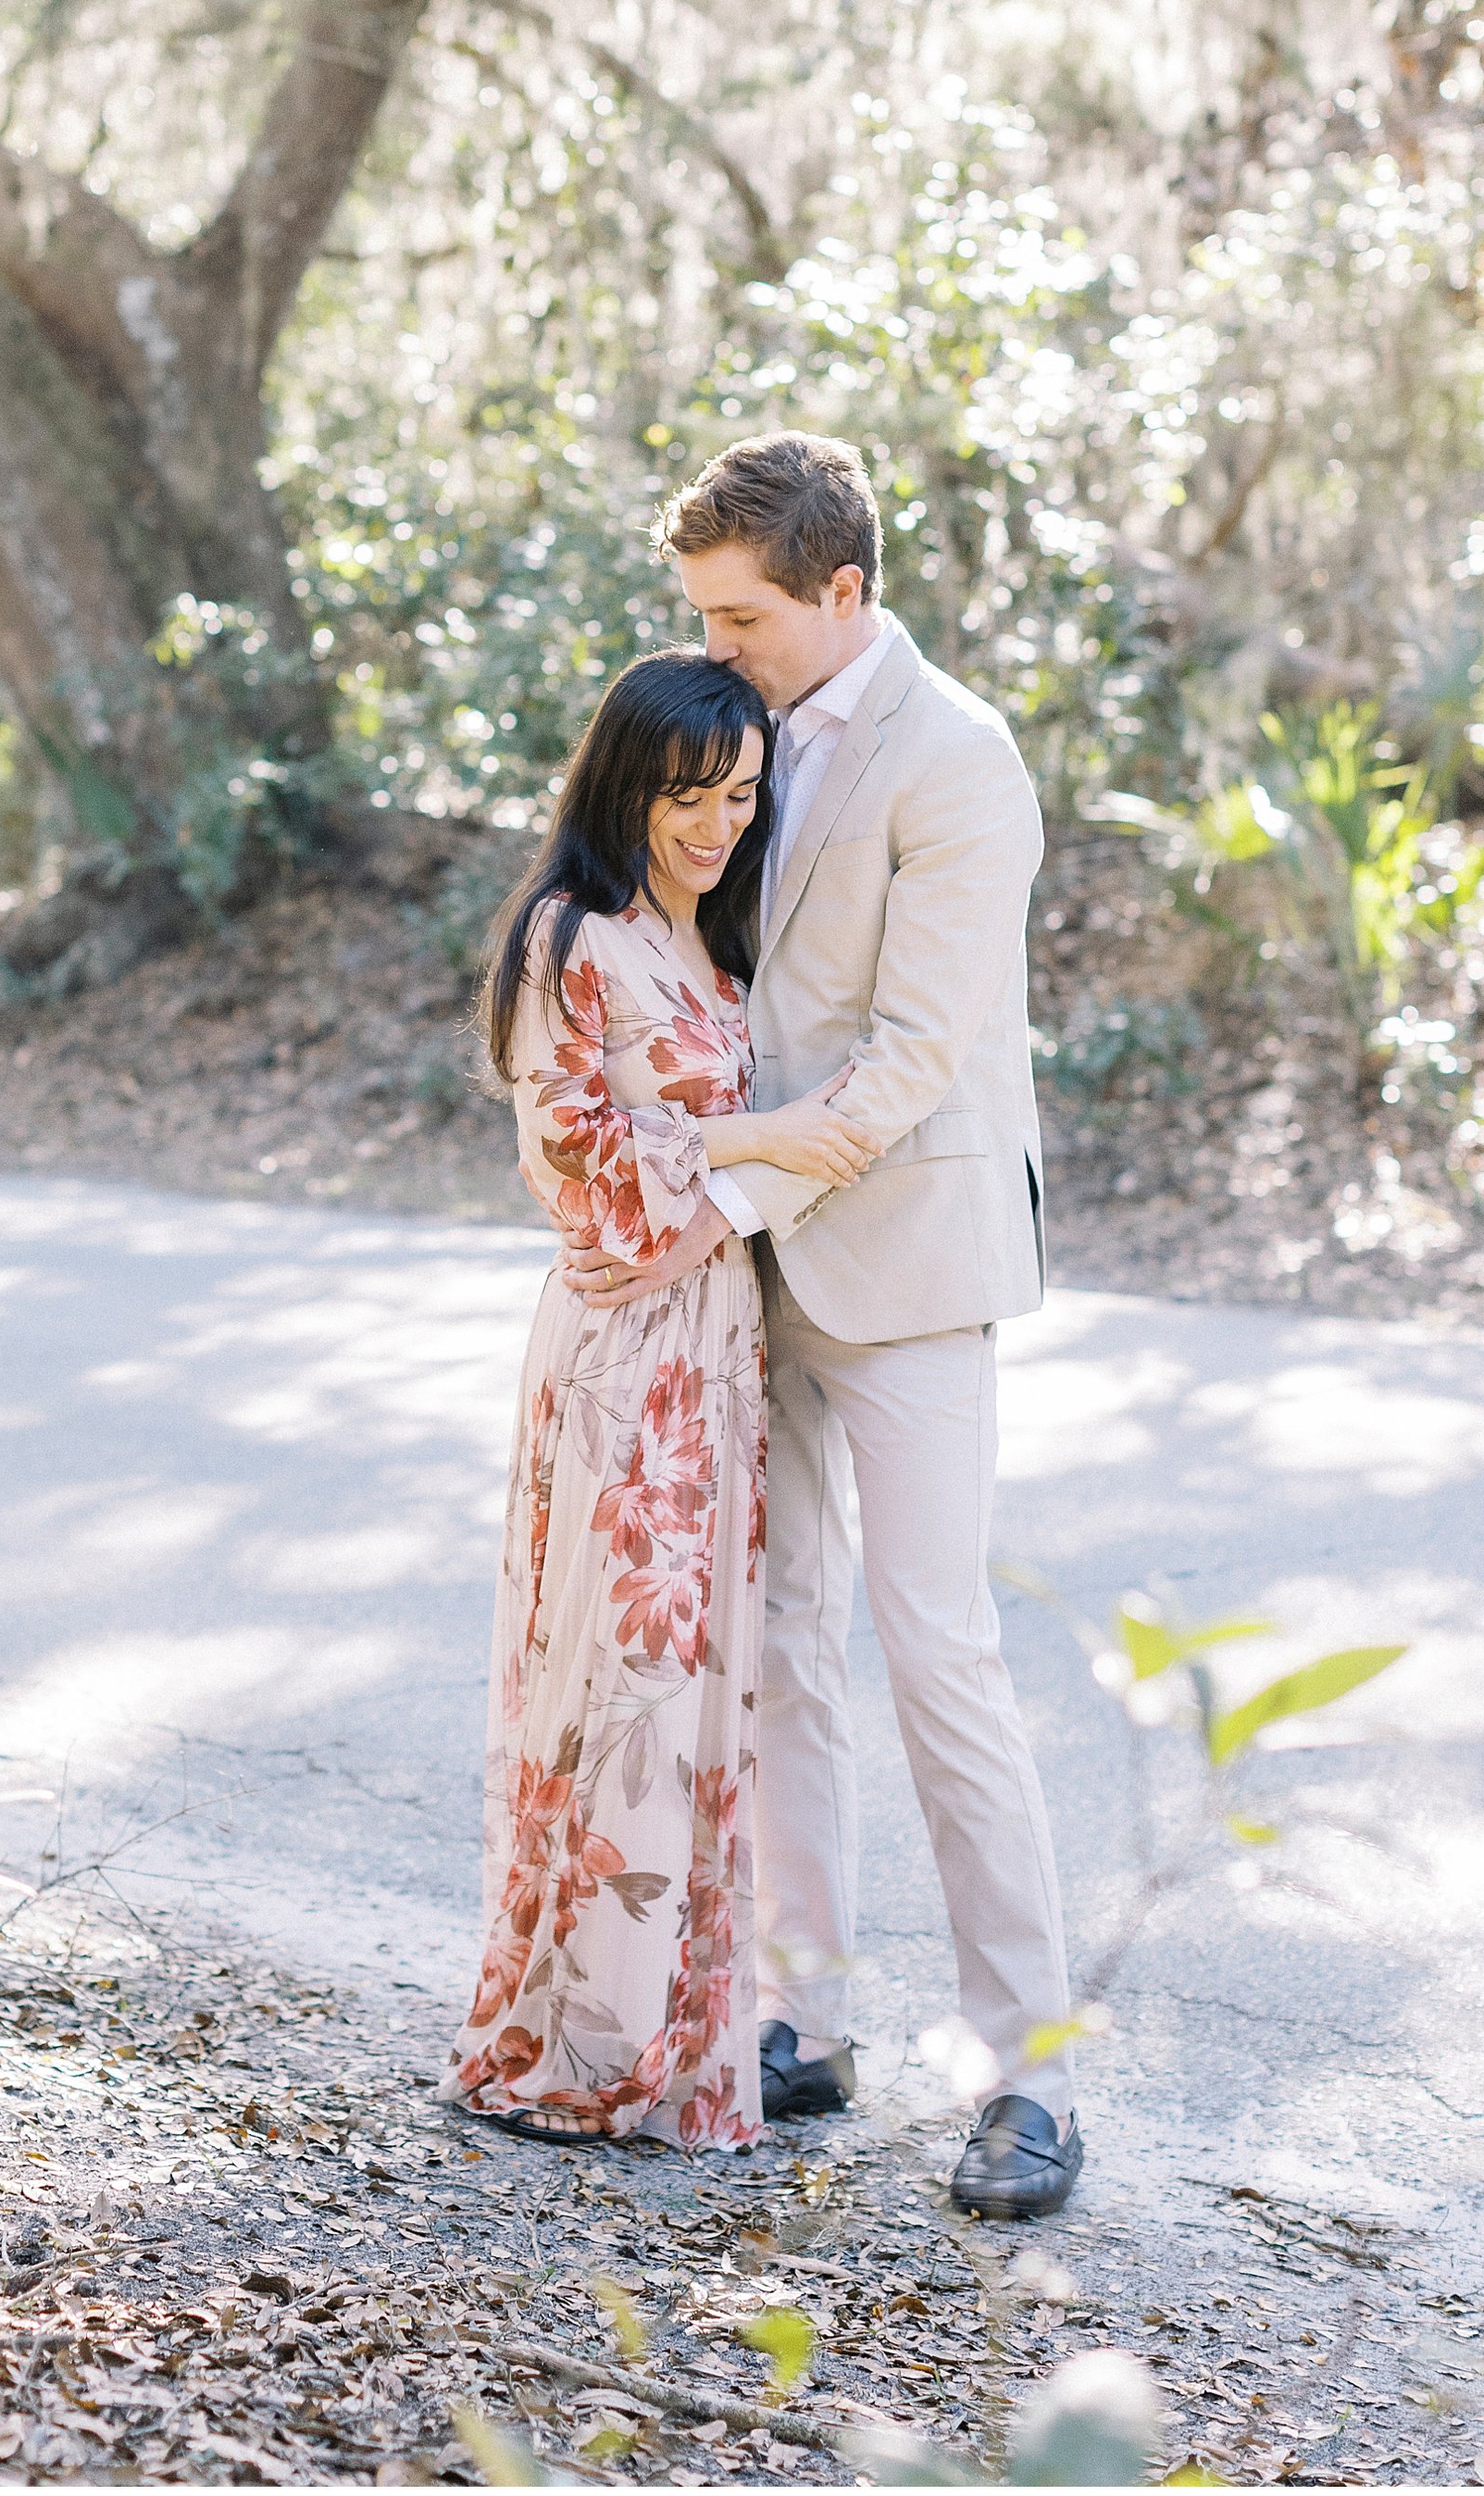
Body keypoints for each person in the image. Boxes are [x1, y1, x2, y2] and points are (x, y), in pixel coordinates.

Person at [559, 432, 1083, 2222]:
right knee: (777, 1640)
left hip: (908, 1255)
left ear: (843, 594)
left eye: (742, 613)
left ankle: (1027, 2071)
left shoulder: (961, 760)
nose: (716, 640)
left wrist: (714, 1187)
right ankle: (806, 2015)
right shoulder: (740, 736)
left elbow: (920, 1051)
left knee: (938, 1650)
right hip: (745, 1273)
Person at [439, 650, 883, 2151]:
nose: (716, 821)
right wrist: (774, 1145)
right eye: (690, 793)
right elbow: (588, 1190)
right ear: (627, 784)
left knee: (696, 1687)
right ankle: (576, 2041)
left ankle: (679, 2037)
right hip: (626, 1360)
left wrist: (756, 1161)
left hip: (717, 1358)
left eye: (742, 792)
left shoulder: (713, 947)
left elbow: (714, 1169)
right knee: (618, 1681)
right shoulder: (573, 940)